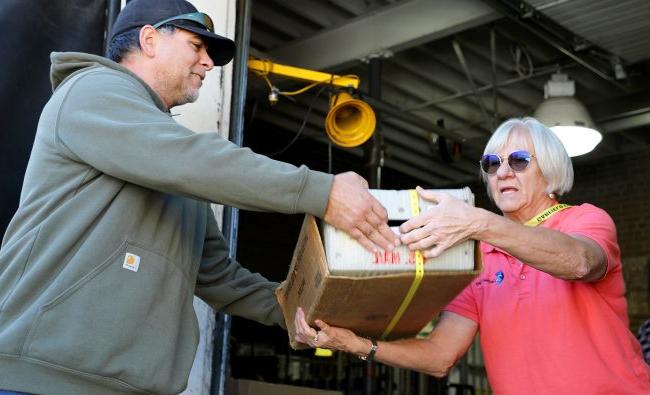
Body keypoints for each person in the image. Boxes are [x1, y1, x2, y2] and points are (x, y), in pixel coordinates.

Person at [0, 0, 399, 394]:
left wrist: (302, 307)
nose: (208, 62)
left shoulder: (168, 159)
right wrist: (322, 191)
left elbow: (218, 277)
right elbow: (191, 159)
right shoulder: (92, 91)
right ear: (150, 39)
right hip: (45, 380)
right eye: (197, 46)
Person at [295, 117, 650, 394]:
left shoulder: (585, 218)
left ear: (551, 168)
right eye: (492, 163)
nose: (504, 171)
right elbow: (439, 356)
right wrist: (357, 344)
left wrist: (478, 223)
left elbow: (578, 262)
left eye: (520, 160)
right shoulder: (480, 255)